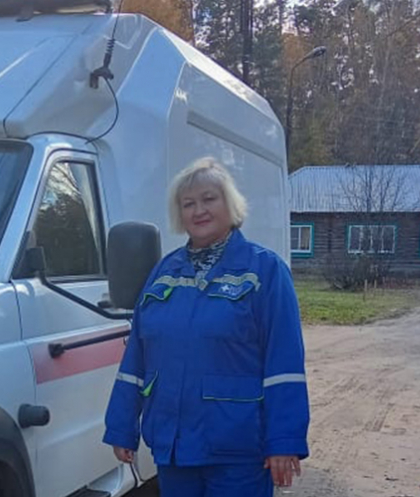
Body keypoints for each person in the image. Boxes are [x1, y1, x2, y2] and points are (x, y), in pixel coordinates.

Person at [103, 158, 310, 497]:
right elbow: (137, 358)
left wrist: (284, 440)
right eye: (188, 203)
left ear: (230, 204)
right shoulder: (164, 273)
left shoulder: (265, 271)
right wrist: (121, 426)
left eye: (209, 198)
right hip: (174, 446)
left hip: (237, 448)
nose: (199, 210)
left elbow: (284, 363)